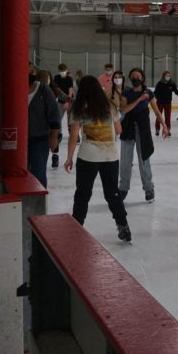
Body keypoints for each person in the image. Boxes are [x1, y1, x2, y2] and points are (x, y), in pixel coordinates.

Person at [63, 75, 131, 243]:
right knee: (113, 194)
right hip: (110, 157)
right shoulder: (110, 106)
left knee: (83, 194)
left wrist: (69, 158)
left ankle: (76, 228)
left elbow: (73, 136)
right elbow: (119, 130)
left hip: (88, 157)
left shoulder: (78, 108)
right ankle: (123, 227)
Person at [119, 68, 168, 203]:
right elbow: (124, 110)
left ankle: (148, 188)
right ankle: (123, 188)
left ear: (142, 78)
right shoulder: (126, 93)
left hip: (143, 129)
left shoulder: (148, 93)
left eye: (138, 76)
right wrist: (140, 99)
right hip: (128, 128)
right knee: (125, 161)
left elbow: (157, 111)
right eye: (133, 76)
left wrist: (164, 125)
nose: (135, 78)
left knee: (144, 159)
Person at [27, 63, 61, 188]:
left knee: (38, 172)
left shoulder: (44, 90)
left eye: (31, 71)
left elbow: (54, 114)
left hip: (40, 138)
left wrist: (54, 137)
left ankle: (39, 203)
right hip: (17, 140)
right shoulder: (14, 89)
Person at [42, 68, 72, 169]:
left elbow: (66, 97)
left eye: (47, 78)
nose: (46, 80)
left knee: (55, 135)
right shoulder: (37, 89)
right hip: (41, 120)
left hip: (53, 117)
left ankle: (55, 156)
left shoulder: (55, 89)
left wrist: (74, 100)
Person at [153, 71, 178, 137]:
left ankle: (168, 129)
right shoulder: (159, 83)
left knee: (168, 117)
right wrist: (158, 98)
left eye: (169, 76)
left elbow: (176, 91)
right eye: (167, 75)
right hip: (160, 103)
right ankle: (157, 129)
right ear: (163, 76)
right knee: (159, 117)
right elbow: (155, 92)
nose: (168, 77)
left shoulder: (172, 84)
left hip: (168, 103)